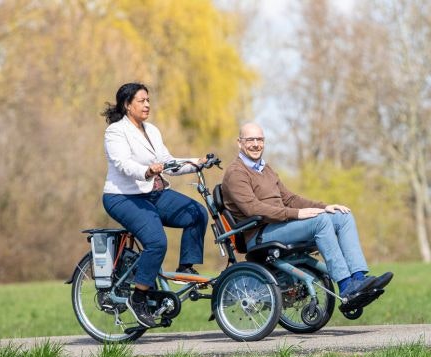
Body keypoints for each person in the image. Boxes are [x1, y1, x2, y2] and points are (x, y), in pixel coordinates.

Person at [221, 122, 393, 311]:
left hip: (279, 226)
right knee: (320, 222)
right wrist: (296, 214)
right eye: (250, 140)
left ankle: (359, 280)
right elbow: (253, 209)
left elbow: (291, 199)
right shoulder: (236, 173)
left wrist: (326, 207)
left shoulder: (265, 169)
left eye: (260, 139)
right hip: (259, 233)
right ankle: (345, 286)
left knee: (342, 215)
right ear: (239, 143)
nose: (256, 144)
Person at [101, 82, 208, 327]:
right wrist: (147, 171)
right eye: (141, 100)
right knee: (156, 241)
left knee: (197, 213)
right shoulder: (116, 132)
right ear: (128, 105)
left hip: (153, 194)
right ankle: (138, 297)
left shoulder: (152, 130)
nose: (147, 104)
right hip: (123, 197)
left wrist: (196, 163)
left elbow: (168, 162)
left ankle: (185, 269)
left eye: (148, 100)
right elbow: (122, 165)